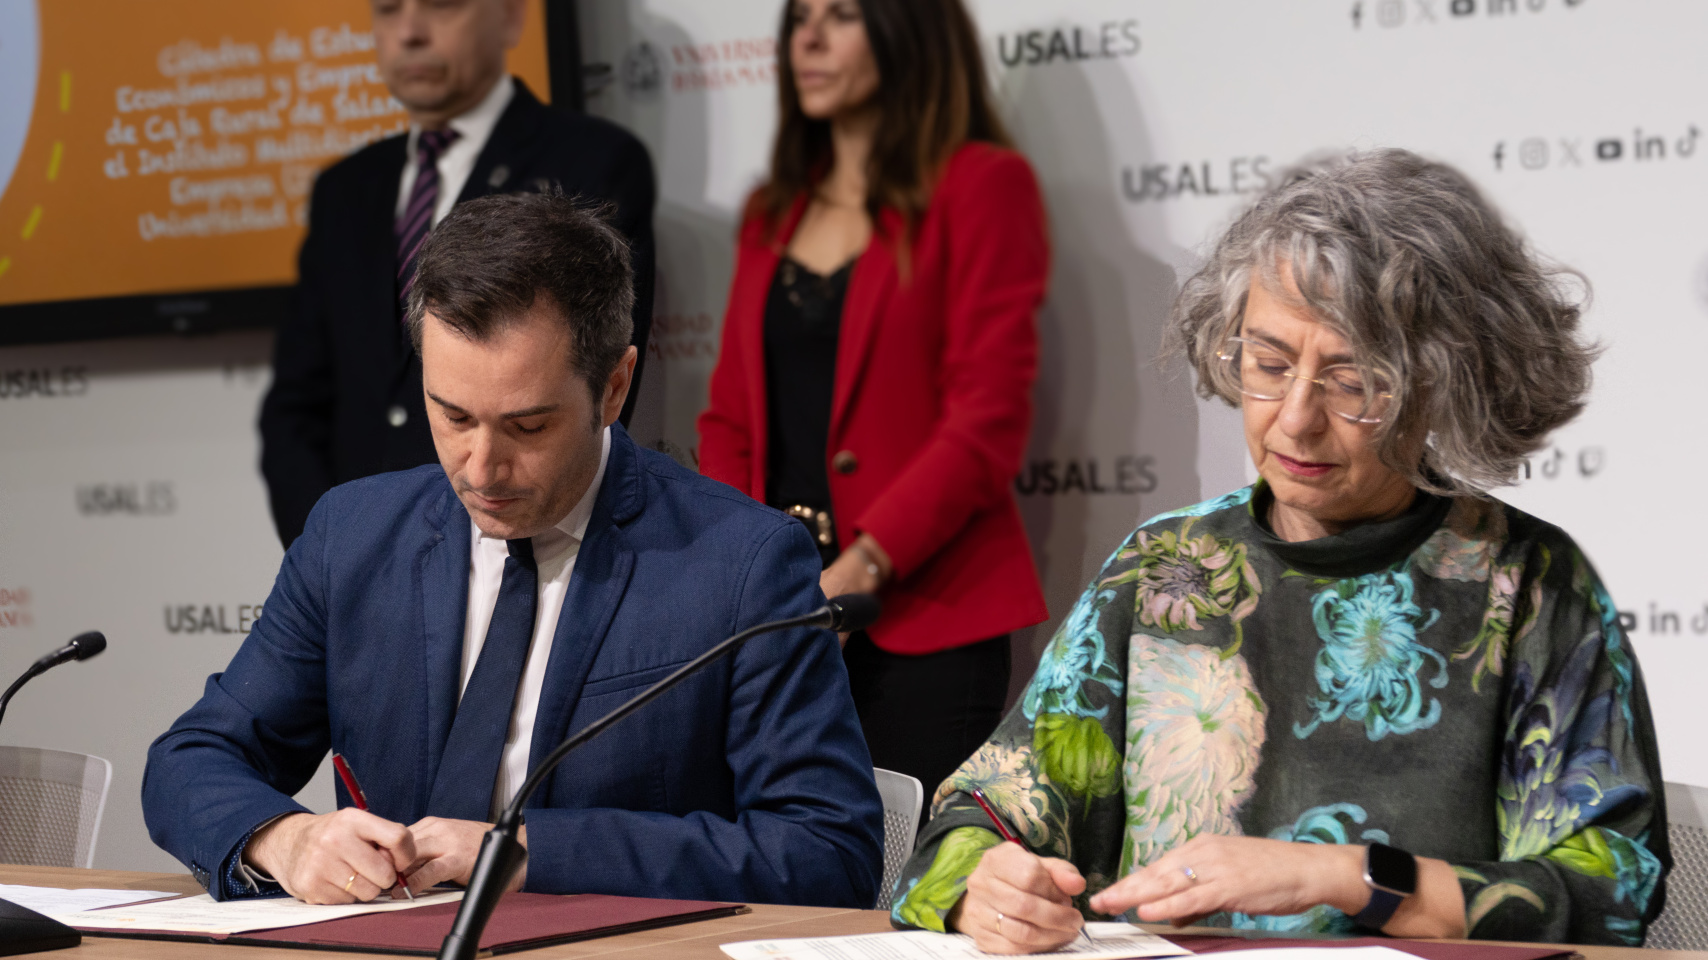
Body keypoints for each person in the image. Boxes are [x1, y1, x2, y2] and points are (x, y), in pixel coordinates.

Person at [889, 149, 1670, 948]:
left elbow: (1610, 886)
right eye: (1267, 364)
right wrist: (980, 885)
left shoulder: (1527, 585)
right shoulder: (1168, 571)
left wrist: (1342, 877)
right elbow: (980, 813)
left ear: (1444, 381)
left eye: (1352, 381)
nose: (1294, 418)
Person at [144, 193, 882, 909]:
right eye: (454, 415)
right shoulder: (354, 537)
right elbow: (191, 762)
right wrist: (286, 839)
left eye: (528, 427)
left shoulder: (740, 565)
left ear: (614, 385)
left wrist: (529, 853)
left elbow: (826, 851)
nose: (481, 467)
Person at [697, 0, 1048, 820]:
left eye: (842, 15)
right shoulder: (771, 211)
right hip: (778, 615)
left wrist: (855, 575)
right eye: (800, 17)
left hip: (922, 617)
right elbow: (729, 420)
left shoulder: (982, 186)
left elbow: (985, 421)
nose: (807, 39)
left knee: (902, 900)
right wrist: (748, 578)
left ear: (907, 31)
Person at [260, 0, 656, 548]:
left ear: (512, 17)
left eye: (442, 5)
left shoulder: (591, 162)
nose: (410, 32)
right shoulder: (344, 190)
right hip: (357, 562)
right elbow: (295, 408)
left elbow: (585, 399)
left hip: (510, 551)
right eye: (388, 9)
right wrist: (332, 555)